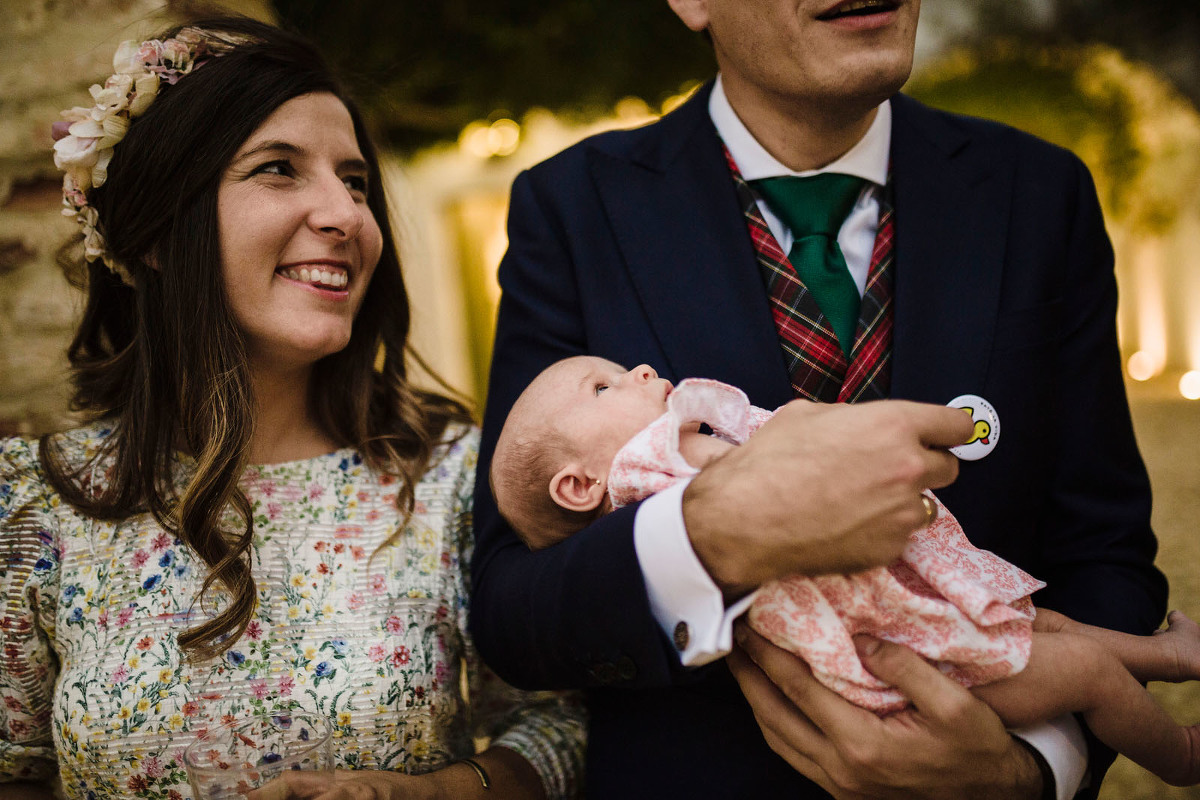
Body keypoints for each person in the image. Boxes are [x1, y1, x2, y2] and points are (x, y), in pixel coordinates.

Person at [469, 1, 1168, 798]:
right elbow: (509, 606)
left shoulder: (1041, 192)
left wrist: (1030, 768)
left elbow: (1104, 549)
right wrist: (714, 534)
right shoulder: (570, 209)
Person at [0, 18, 583, 800]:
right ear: (155, 234)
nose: (346, 216)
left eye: (355, 182)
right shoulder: (35, 505)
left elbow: (558, 725)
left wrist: (437, 791)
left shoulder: (450, 476)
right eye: (278, 169)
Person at [491, 354, 1200, 787]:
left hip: (919, 620)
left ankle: (1168, 654)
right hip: (918, 661)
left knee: (1052, 626)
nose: (639, 371)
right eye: (603, 387)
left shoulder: (675, 457)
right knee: (1088, 671)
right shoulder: (652, 472)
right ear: (579, 487)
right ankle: (1179, 756)